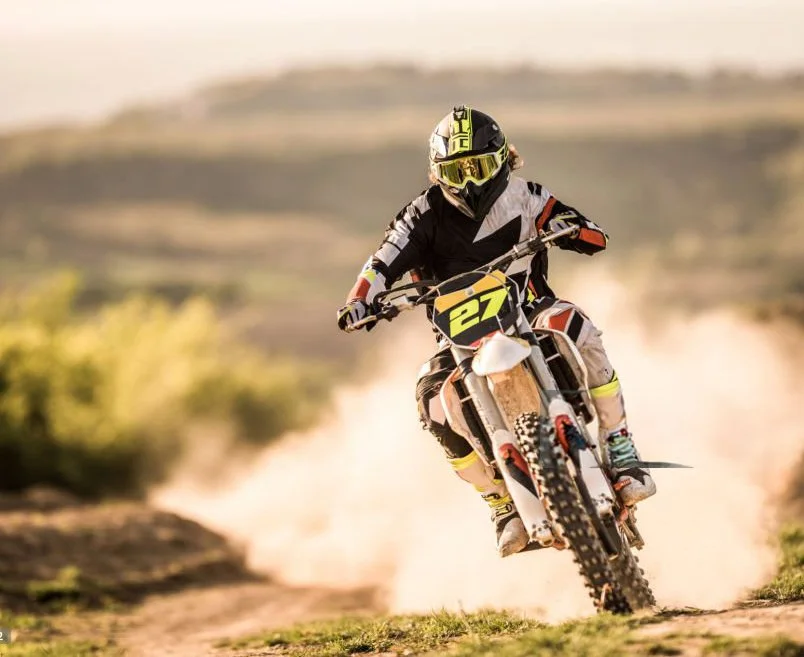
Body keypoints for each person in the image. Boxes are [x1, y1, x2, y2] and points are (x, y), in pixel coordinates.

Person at [337, 106, 655, 557]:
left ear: (503, 160)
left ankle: (620, 446)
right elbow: (380, 263)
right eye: (455, 171)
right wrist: (359, 300)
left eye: (479, 167)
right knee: (430, 400)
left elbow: (589, 231)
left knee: (577, 326)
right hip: (461, 336)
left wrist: (576, 229)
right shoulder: (419, 215)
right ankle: (500, 503)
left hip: (529, 310)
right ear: (436, 172)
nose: (468, 182)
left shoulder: (527, 196)